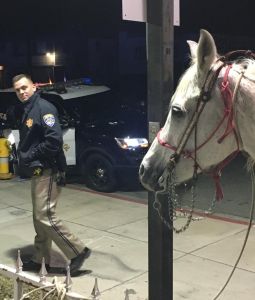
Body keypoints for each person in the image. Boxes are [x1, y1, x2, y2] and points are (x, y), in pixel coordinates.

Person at [12, 74, 91, 275]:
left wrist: (30, 155)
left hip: (48, 168)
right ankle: (40, 259)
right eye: (18, 90)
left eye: (24, 87)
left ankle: (77, 251)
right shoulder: (28, 109)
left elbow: (54, 141)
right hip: (38, 169)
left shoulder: (44, 108)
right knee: (39, 217)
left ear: (33, 86)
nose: (21, 92)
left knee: (45, 215)